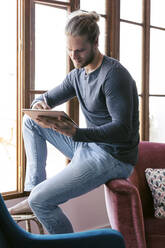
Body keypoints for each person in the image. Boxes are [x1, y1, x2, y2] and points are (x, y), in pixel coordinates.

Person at [9, 10, 139, 234]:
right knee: (29, 122)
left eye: (79, 51)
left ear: (95, 42)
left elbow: (122, 130)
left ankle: (39, 205)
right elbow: (45, 98)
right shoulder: (78, 75)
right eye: (70, 50)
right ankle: (34, 191)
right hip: (86, 145)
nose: (74, 56)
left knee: (43, 201)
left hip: (113, 156)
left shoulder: (113, 76)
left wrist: (77, 134)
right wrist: (40, 105)